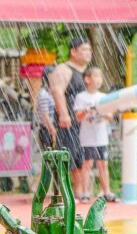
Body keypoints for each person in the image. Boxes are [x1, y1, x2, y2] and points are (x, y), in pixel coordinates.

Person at [48, 37, 91, 195]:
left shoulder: (86, 72)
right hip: (69, 121)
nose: (88, 53)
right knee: (69, 157)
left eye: (89, 50)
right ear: (73, 51)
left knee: (82, 157)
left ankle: (79, 191)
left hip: (83, 121)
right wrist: (64, 114)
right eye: (84, 50)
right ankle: (67, 193)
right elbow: (57, 91)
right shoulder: (64, 69)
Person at [73, 67, 116, 202]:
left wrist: (101, 112)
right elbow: (78, 117)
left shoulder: (103, 97)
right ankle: (85, 193)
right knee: (87, 164)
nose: (98, 80)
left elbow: (110, 115)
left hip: (101, 136)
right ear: (87, 79)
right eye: (95, 77)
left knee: (103, 164)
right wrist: (86, 111)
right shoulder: (81, 97)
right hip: (87, 138)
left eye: (100, 77)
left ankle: (106, 191)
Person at [36, 65, 56, 151]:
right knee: (50, 157)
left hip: (53, 128)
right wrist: (52, 130)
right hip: (47, 129)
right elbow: (45, 114)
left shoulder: (53, 92)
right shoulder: (43, 94)